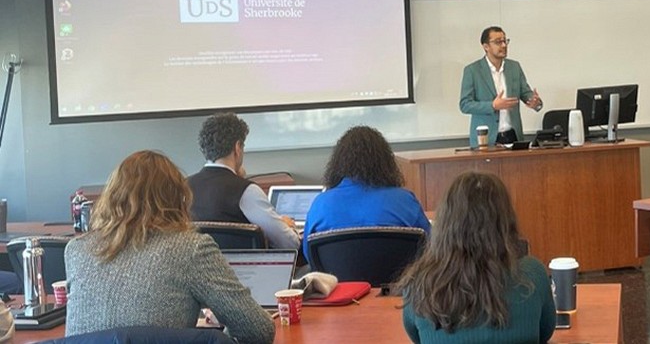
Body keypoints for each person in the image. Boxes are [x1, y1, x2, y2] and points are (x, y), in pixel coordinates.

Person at [64, 150, 274, 343]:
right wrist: (211, 338)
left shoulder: (76, 250)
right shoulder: (191, 248)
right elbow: (257, 329)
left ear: (111, 197)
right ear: (178, 198)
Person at [397, 172, 555, 343]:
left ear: (444, 222)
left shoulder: (417, 281)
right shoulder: (533, 274)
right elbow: (544, 333)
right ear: (506, 221)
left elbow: (417, 338)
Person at [302, 125, 431, 262]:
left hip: (338, 283)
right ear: (385, 162)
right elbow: (430, 247)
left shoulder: (321, 204)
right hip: (399, 282)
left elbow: (309, 255)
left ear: (338, 164)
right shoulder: (405, 201)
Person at [187, 112, 300, 249]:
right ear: (237, 147)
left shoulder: (183, 187)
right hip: (240, 270)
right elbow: (289, 243)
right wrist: (287, 226)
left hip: (197, 268)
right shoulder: (246, 191)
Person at [459, 26, 543, 147]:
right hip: (486, 139)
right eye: (498, 42)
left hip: (513, 137)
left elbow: (526, 94)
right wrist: (493, 105)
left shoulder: (514, 67)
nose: (503, 45)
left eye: (505, 41)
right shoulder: (472, 71)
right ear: (486, 46)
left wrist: (535, 102)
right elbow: (465, 104)